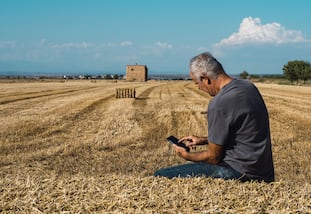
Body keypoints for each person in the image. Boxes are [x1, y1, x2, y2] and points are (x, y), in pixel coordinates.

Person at [154, 52, 275, 182]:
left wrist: (187, 155)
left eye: (197, 83)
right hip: (263, 172)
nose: (199, 88)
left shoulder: (219, 104)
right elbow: (242, 133)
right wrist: (205, 140)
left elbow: (213, 158)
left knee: (160, 176)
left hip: (239, 172)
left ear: (206, 78)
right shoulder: (248, 87)